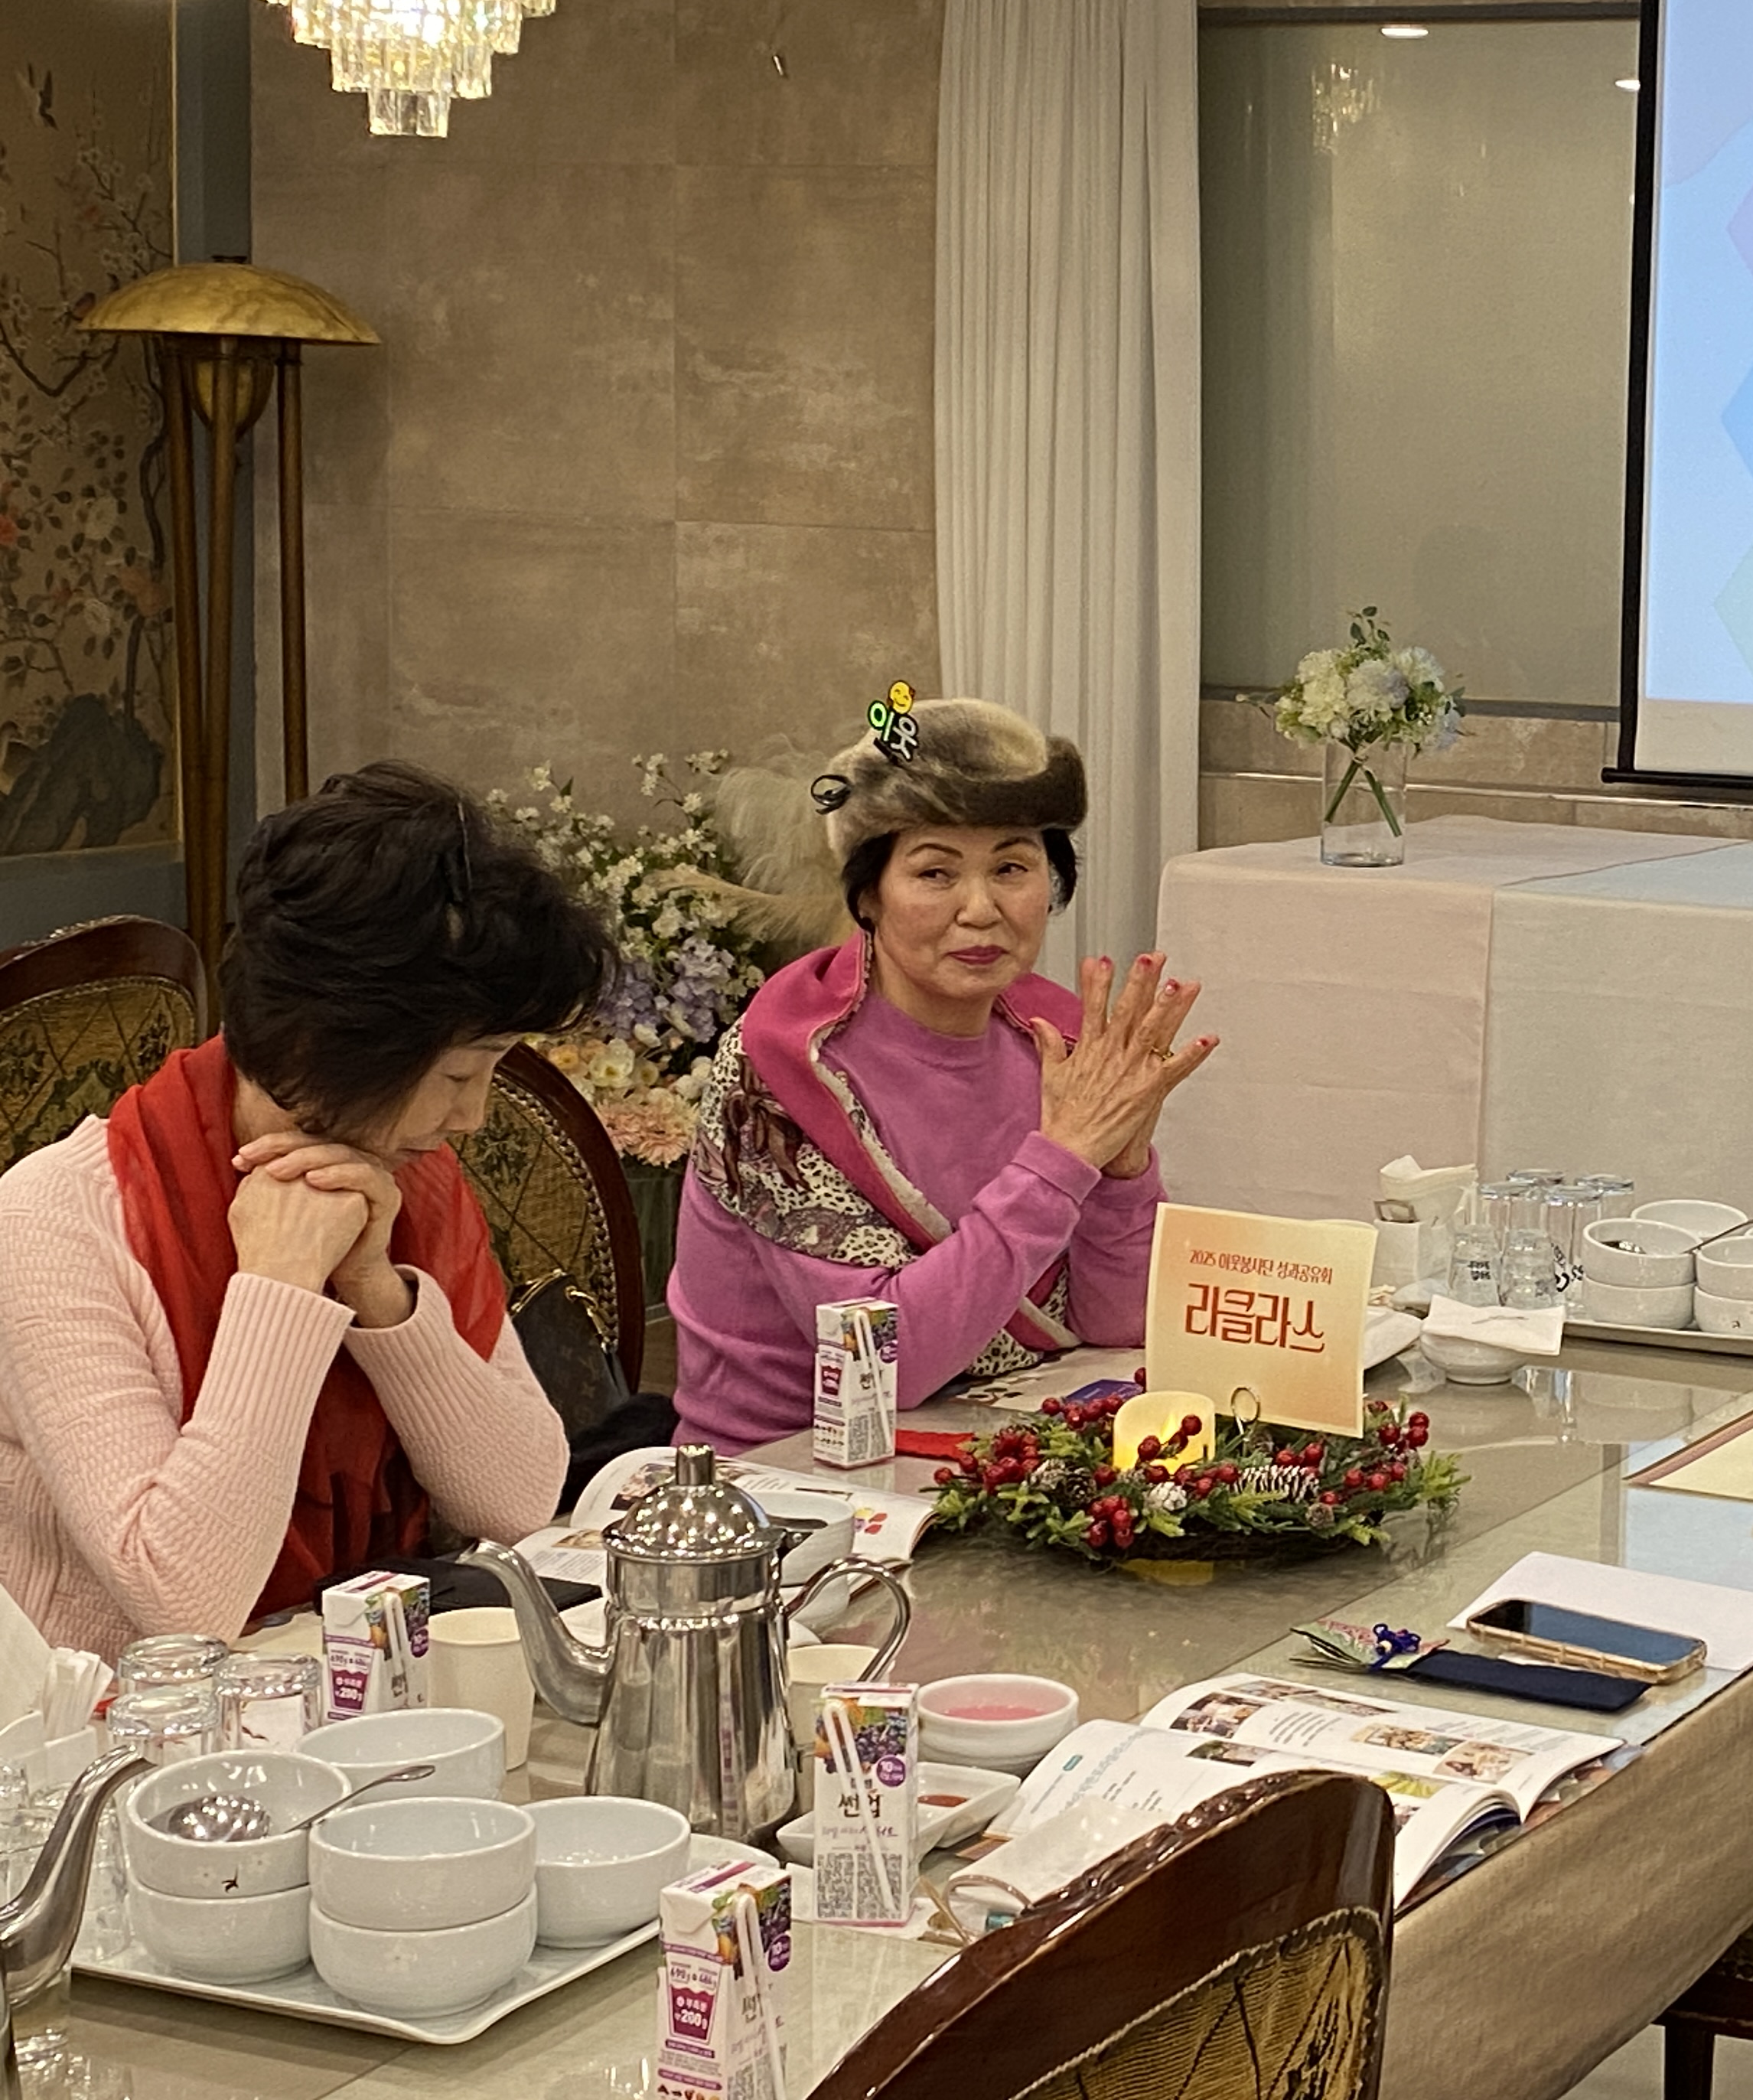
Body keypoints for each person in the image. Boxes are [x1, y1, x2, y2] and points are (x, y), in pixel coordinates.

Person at [0, 767, 606, 1657]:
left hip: (355, 1682)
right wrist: (280, 1285)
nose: (473, 1117)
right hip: (116, 1718)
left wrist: (378, 1295)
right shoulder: (55, 1222)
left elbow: (517, 1501)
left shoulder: (406, 1183)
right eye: (456, 1074)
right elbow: (185, 1604)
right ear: (324, 1044)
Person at [670, 695, 1214, 1449]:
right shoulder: (780, 1070)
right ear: (868, 893)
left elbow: (1118, 1325)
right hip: (792, 1469)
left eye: (1012, 868)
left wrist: (1122, 1171)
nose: (981, 908)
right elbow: (884, 1368)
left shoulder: (1057, 1040)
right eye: (935, 873)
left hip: (1005, 1443)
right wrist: (1063, 1159)